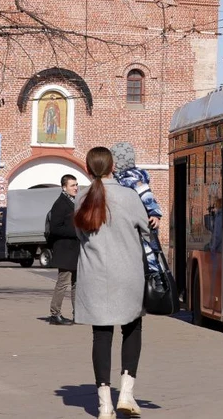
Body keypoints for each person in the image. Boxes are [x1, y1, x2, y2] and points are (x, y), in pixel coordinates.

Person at [75, 146, 149, 419]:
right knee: (132, 328)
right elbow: (146, 228)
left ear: (87, 168)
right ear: (113, 167)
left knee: (101, 335)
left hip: (94, 276)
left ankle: (104, 403)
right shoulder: (128, 196)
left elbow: (80, 235)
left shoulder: (81, 197)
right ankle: (127, 394)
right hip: (127, 273)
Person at [110, 142, 163, 272]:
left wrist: (154, 213)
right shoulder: (121, 178)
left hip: (141, 224)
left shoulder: (131, 179)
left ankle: (156, 278)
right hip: (136, 222)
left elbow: (147, 195)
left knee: (148, 253)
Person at [46, 174, 79, 326]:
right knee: (63, 282)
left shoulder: (74, 202)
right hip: (65, 250)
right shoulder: (60, 204)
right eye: (72, 185)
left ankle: (77, 313)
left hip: (75, 250)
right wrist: (76, 231)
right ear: (64, 187)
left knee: (76, 283)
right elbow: (55, 228)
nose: (76, 188)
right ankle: (55, 314)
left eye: (76, 185)